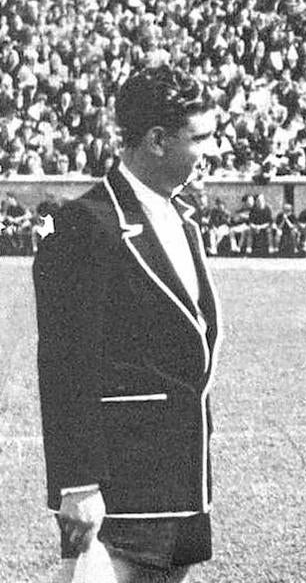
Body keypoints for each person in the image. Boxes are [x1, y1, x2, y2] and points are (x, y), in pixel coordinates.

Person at [33, 65, 222, 583]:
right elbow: (65, 364)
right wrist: (77, 485)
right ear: (158, 140)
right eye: (199, 137)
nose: (210, 150)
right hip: (119, 485)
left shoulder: (182, 220)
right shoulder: (86, 225)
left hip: (180, 477)